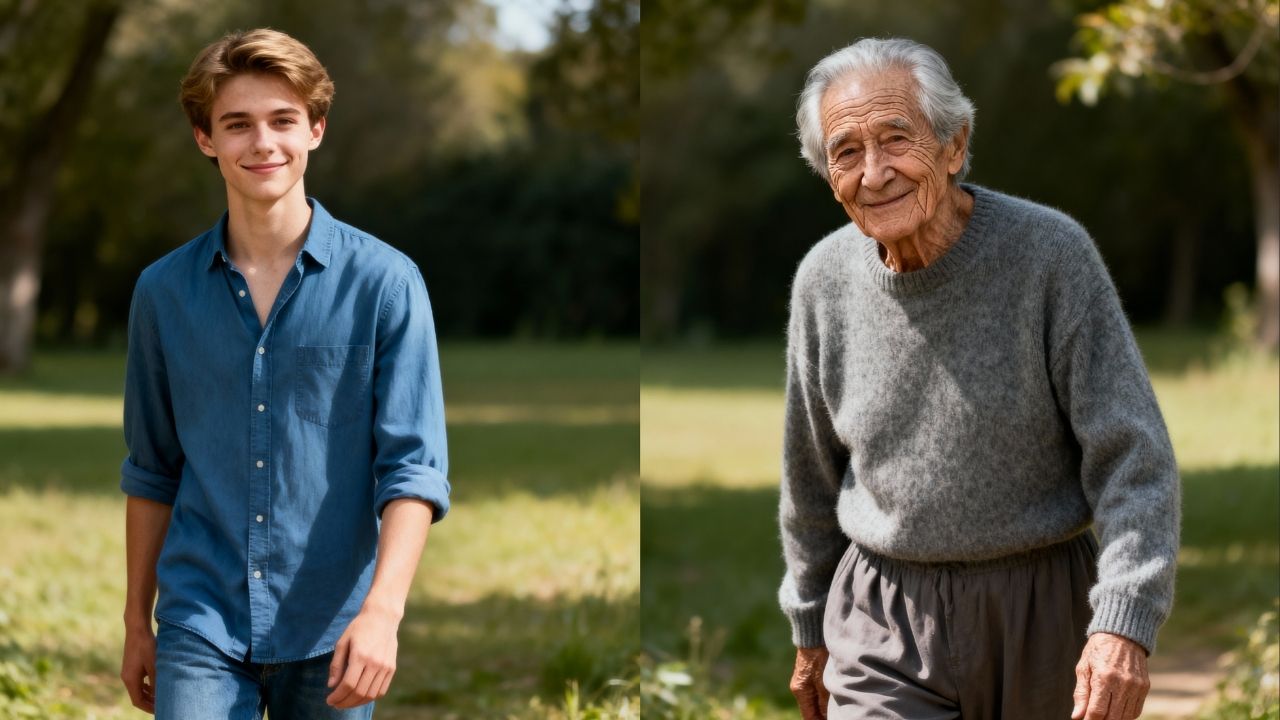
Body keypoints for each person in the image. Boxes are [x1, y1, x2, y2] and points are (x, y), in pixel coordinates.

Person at [778, 38, 1179, 720]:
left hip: (1044, 610)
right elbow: (810, 477)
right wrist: (810, 627)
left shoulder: (1050, 256)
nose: (873, 173)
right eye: (846, 152)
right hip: (881, 616)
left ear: (953, 146)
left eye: (895, 139)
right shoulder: (824, 281)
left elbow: (1133, 458)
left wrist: (1123, 619)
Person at [118, 28, 449, 719]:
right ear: (206, 138)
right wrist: (135, 623)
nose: (262, 143)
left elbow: (413, 467)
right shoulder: (162, 292)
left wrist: (382, 614)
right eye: (237, 124)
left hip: (334, 622)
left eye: (283, 121)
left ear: (317, 130)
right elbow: (152, 467)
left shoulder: (386, 283)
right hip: (199, 618)